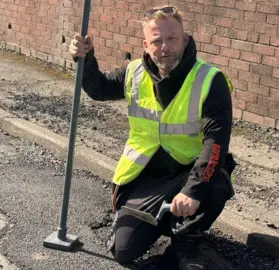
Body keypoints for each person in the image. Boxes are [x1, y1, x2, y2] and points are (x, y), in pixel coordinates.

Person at [69, 5, 237, 268]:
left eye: (172, 39)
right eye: (157, 41)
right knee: (123, 251)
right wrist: (85, 59)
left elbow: (215, 142)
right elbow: (99, 89)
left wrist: (193, 191)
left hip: (188, 172)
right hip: (146, 177)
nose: (165, 47)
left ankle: (186, 240)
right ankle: (165, 221)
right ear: (146, 44)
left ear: (185, 39)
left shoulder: (209, 79)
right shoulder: (133, 72)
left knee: (215, 179)